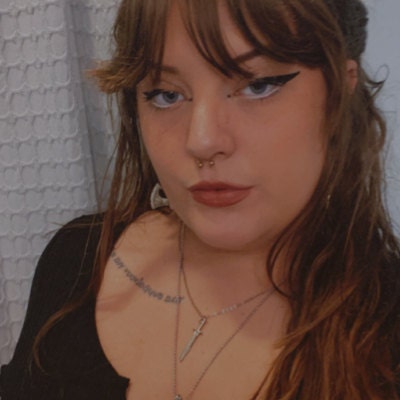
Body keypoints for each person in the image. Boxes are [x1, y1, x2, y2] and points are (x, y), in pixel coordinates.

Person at [1, 0, 399, 399]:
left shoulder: (388, 325)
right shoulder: (77, 262)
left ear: (340, 91)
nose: (202, 140)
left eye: (258, 86)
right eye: (165, 95)